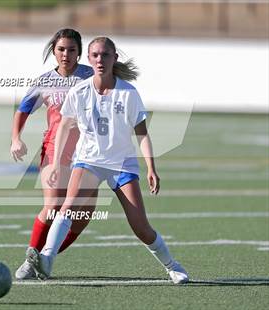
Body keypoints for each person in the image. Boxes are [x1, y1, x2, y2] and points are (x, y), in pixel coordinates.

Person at [26, 36, 189, 284]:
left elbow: (142, 134)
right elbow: (64, 127)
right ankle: (46, 258)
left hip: (122, 165)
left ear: (114, 58)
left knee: (140, 227)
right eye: (95, 55)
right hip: (88, 161)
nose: (100, 60)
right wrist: (57, 162)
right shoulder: (79, 91)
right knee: (67, 208)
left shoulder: (128, 93)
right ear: (88, 59)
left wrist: (151, 169)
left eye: (105, 55)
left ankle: (172, 266)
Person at [10, 29, 95, 280]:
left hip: (89, 154)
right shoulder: (45, 81)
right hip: (54, 151)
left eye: (71, 49)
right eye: (61, 49)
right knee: (53, 206)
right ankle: (30, 259)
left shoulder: (91, 77)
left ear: (79, 52)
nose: (65, 54)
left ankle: (45, 259)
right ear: (53, 51)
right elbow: (23, 110)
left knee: (81, 219)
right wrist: (16, 138)